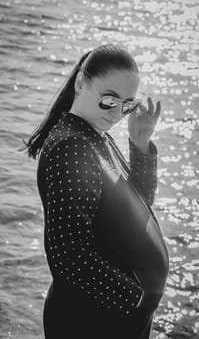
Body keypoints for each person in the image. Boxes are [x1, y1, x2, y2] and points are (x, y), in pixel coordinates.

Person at [20, 44, 169, 339]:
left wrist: (140, 142)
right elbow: (68, 256)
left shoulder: (95, 136)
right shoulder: (71, 148)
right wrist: (135, 300)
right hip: (94, 322)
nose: (117, 113)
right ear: (80, 83)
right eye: (109, 99)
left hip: (113, 318)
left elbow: (137, 211)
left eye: (127, 104)